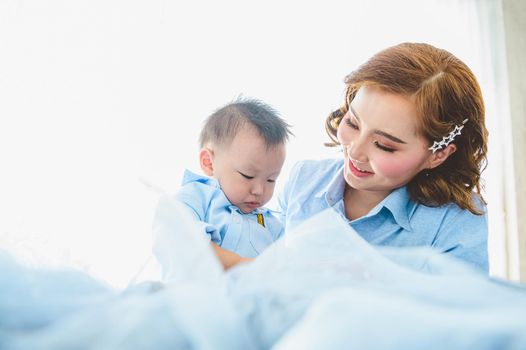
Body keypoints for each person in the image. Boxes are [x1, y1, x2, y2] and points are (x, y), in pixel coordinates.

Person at [277, 42, 489, 272]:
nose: (355, 152)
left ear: (437, 155)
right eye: (353, 123)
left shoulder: (456, 223)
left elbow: (456, 306)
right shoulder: (303, 180)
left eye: (384, 146)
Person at [153, 98, 292, 274]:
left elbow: (287, 270)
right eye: (247, 175)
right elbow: (179, 238)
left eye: (271, 179)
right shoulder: (196, 197)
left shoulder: (272, 226)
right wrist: (239, 264)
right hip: (193, 297)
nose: (259, 190)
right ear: (209, 162)